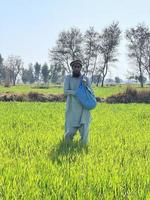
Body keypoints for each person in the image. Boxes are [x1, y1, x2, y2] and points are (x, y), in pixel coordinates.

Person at [63, 59, 93, 145]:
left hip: (84, 109)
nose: (76, 68)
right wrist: (76, 92)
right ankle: (66, 146)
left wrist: (85, 86)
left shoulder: (85, 79)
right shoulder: (68, 78)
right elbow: (65, 91)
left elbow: (90, 92)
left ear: (81, 68)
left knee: (84, 131)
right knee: (70, 131)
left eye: (78, 67)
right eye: (75, 67)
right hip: (72, 108)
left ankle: (83, 147)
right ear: (72, 68)